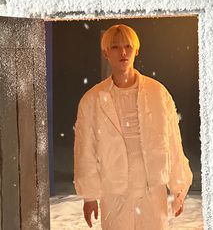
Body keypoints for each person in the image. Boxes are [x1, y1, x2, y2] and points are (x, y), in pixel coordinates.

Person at [74, 24, 193, 229]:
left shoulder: (158, 93)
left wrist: (178, 188)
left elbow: (172, 140)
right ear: (105, 53)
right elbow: (85, 149)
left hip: (152, 189)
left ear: (136, 50)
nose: (122, 52)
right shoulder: (92, 100)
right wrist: (89, 196)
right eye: (115, 47)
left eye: (128, 46)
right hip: (115, 190)